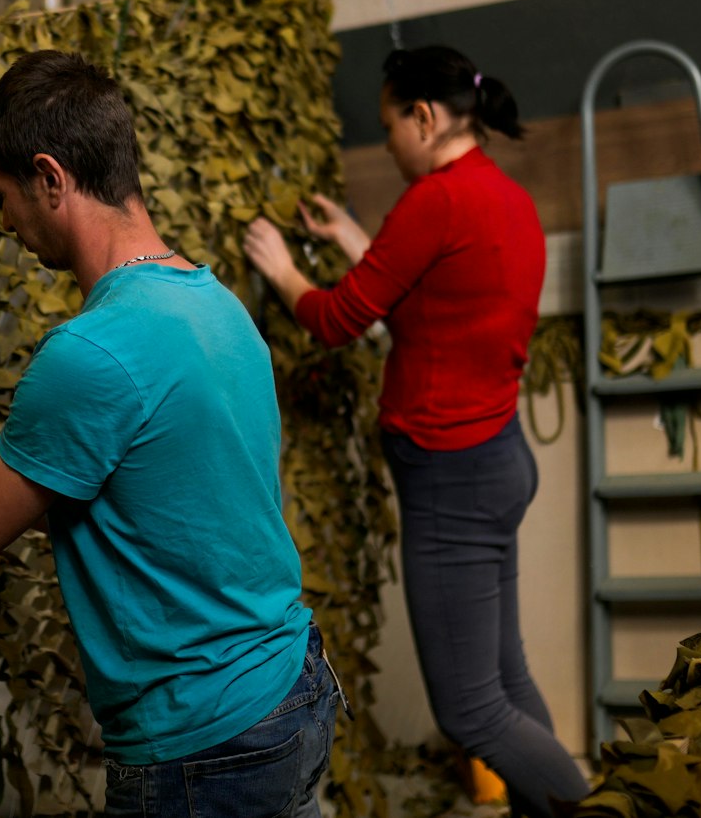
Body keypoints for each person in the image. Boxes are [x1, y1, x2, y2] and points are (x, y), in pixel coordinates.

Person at [0, 49, 340, 817]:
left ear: (51, 178)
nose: (5, 221)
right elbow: (165, 486)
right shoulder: (213, 305)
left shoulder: (91, 351)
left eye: (2, 194)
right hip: (290, 688)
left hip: (203, 743)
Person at [240, 45, 587, 818]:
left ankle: (599, 810)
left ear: (423, 118)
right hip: (498, 462)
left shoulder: (435, 201)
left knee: (469, 710)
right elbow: (433, 304)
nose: (388, 141)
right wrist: (351, 243)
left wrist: (279, 269)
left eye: (389, 124)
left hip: (451, 480)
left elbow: (337, 319)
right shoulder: (501, 198)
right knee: (506, 677)